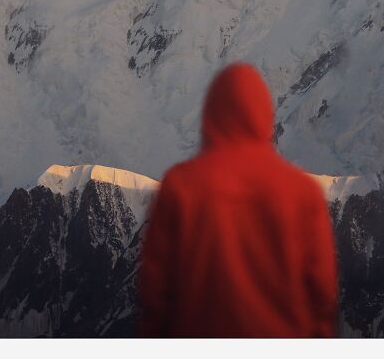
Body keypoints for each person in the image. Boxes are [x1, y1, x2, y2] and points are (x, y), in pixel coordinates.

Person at [139, 61, 338, 337]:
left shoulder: (180, 187)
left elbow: (155, 293)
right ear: (265, 115)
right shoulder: (303, 192)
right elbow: (322, 295)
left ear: (210, 114)